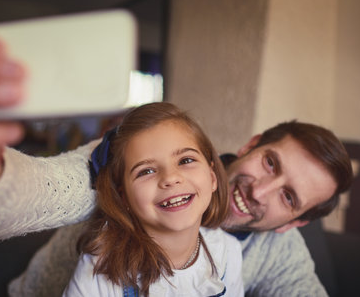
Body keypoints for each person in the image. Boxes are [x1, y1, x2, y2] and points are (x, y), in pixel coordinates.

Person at [0, 7, 353, 297]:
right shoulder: (127, 163)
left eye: (289, 197)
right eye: (271, 163)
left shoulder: (253, 253)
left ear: (292, 224)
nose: (261, 191)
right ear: (251, 145)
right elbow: (38, 194)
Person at [63, 102, 243, 296]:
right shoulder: (100, 269)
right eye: (146, 171)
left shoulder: (227, 252)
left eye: (185, 160)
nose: (170, 178)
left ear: (212, 177)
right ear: (123, 197)